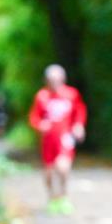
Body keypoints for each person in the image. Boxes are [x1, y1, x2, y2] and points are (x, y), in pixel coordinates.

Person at [29, 64, 87, 214]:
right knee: (49, 172)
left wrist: (79, 126)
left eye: (57, 79)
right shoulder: (42, 96)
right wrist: (40, 125)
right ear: (46, 81)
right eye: (51, 80)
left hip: (65, 139)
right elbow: (34, 117)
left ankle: (64, 197)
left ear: (63, 79)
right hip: (48, 141)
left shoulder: (72, 94)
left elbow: (79, 111)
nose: (54, 82)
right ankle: (52, 199)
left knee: (63, 167)